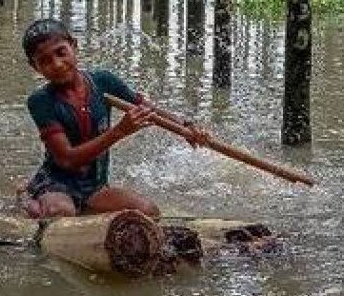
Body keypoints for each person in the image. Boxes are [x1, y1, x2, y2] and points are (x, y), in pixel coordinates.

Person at [18, 18, 206, 219]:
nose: (57, 64)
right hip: (56, 185)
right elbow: (67, 159)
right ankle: (25, 196)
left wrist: (186, 127)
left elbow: (148, 110)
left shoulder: (103, 81)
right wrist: (120, 131)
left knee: (148, 212)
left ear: (74, 46)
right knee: (60, 212)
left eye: (61, 52)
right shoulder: (40, 101)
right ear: (35, 67)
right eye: (45, 61)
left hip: (94, 188)